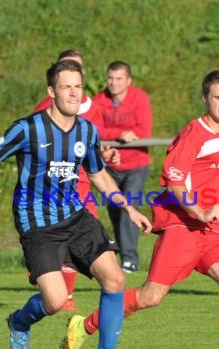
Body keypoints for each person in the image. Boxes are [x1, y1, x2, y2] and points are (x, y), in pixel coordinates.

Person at [0, 60, 152, 349]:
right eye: (66, 87)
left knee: (115, 279)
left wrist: (128, 208)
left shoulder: (87, 130)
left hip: (76, 216)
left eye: (78, 86)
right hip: (37, 223)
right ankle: (19, 322)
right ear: (51, 91)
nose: (73, 93)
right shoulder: (28, 128)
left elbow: (98, 175)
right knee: (56, 301)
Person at [59, 70, 219, 349]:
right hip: (182, 225)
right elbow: (175, 183)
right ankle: (84, 325)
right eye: (217, 97)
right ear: (204, 98)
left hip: (209, 228)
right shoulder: (193, 134)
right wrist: (201, 211)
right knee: (150, 296)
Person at [33, 49, 120, 311]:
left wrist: (104, 154)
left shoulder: (92, 108)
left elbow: (92, 142)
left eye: (78, 73)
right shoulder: (43, 112)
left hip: (83, 187)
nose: (73, 87)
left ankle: (69, 297)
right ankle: (52, 286)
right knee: (59, 247)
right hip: (52, 192)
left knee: (105, 264)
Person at [93, 61, 153, 273]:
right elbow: (95, 129)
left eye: (119, 78)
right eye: (110, 78)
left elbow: (143, 130)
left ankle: (130, 259)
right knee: (116, 212)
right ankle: (122, 255)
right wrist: (119, 134)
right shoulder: (100, 99)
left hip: (136, 164)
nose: (114, 83)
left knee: (130, 209)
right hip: (109, 166)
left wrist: (119, 133)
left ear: (128, 81)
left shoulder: (140, 99)